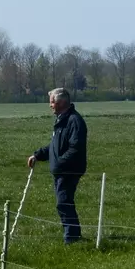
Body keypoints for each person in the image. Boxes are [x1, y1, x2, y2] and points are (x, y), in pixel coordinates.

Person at [27, 88, 88, 244]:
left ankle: (72, 238)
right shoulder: (62, 119)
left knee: (64, 202)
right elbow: (55, 146)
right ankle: (72, 236)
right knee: (63, 202)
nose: (50, 106)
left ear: (61, 102)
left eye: (52, 102)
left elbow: (75, 148)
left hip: (69, 170)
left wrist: (59, 163)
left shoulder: (74, 121)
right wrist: (38, 155)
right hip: (61, 170)